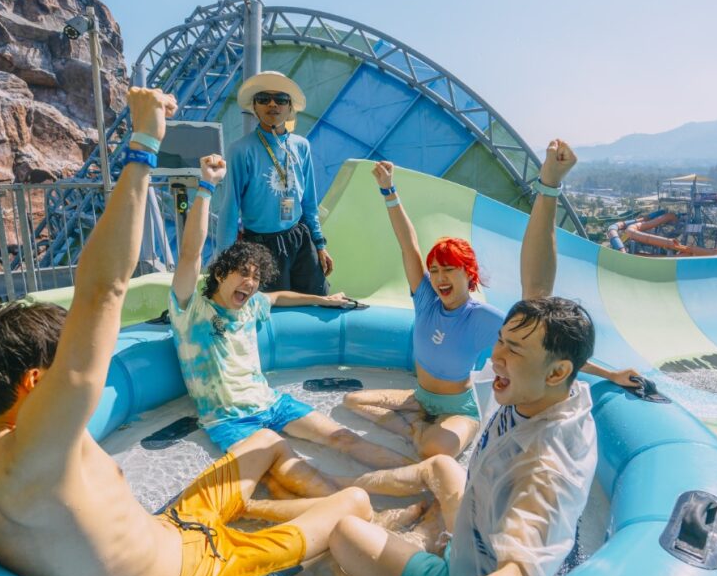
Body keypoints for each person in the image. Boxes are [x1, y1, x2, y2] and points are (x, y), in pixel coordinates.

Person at [0, 88, 372, 576]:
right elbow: (102, 290)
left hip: (164, 532)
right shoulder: (43, 444)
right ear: (36, 382)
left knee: (261, 444)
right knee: (351, 502)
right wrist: (143, 145)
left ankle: (261, 507)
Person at [324, 140, 616, 576]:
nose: (497, 360)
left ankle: (393, 560)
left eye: (511, 353)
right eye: (501, 344)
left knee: (341, 533)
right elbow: (539, 285)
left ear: (557, 371)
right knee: (437, 465)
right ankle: (417, 518)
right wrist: (549, 186)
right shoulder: (547, 383)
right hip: (472, 530)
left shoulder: (546, 463)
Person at [170, 152, 412, 471]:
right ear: (219, 274)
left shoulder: (251, 303)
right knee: (291, 471)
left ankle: (420, 475)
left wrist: (322, 300)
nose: (251, 282)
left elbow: (279, 297)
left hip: (273, 403)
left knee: (345, 438)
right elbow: (190, 254)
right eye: (243, 273)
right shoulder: (192, 308)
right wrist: (206, 186)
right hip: (231, 421)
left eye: (256, 277)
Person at [341, 161, 505, 459]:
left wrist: (604, 373)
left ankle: (423, 433)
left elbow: (535, 348)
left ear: (469, 273)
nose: (439, 278)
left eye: (449, 270)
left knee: (433, 451)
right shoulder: (427, 298)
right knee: (352, 401)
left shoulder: (482, 317)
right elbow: (409, 246)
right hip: (420, 399)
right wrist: (389, 191)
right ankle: (414, 429)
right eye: (434, 270)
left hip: (460, 408)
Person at [217, 70, 333, 295]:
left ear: (290, 108)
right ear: (254, 107)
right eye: (264, 99)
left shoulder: (301, 146)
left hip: (299, 238)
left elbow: (309, 201)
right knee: (271, 312)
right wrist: (225, 260)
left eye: (281, 99)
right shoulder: (240, 150)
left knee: (318, 300)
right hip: (261, 245)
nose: (272, 104)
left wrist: (320, 244)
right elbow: (230, 207)